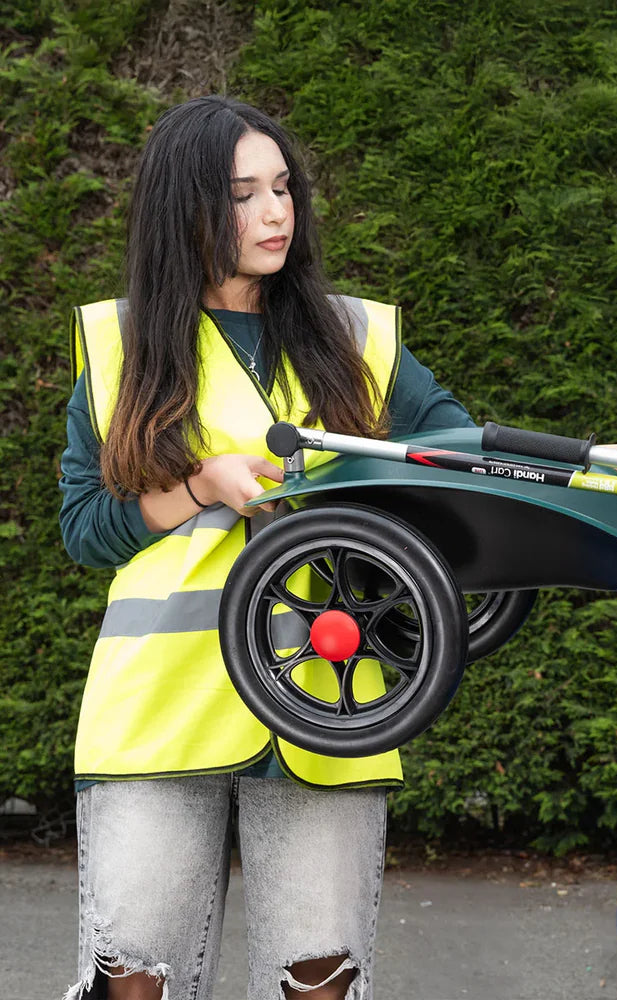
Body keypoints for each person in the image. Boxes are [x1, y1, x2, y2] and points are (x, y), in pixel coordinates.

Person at [58, 95, 474, 1000]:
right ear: (186, 208)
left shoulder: (357, 338)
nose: (276, 212)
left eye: (283, 187)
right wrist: (199, 486)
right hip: (156, 717)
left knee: (319, 978)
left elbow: (456, 461)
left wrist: (600, 495)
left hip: (327, 704)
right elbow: (84, 527)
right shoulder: (121, 343)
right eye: (244, 193)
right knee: (133, 978)